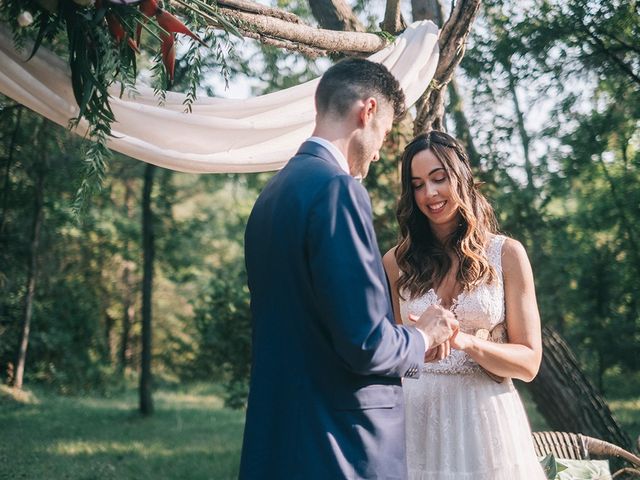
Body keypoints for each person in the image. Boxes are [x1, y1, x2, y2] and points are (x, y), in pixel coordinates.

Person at [240, 59, 459, 479]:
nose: (379, 152)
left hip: (282, 438)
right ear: (368, 111)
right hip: (341, 446)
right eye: (385, 135)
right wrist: (422, 335)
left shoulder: (271, 196)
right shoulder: (338, 190)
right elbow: (365, 342)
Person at [383, 130, 545, 480]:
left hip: (485, 422)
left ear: (462, 177)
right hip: (417, 421)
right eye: (418, 184)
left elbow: (530, 363)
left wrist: (465, 342)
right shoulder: (396, 263)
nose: (430, 193)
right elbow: (396, 361)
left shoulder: (507, 255)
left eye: (439, 178)